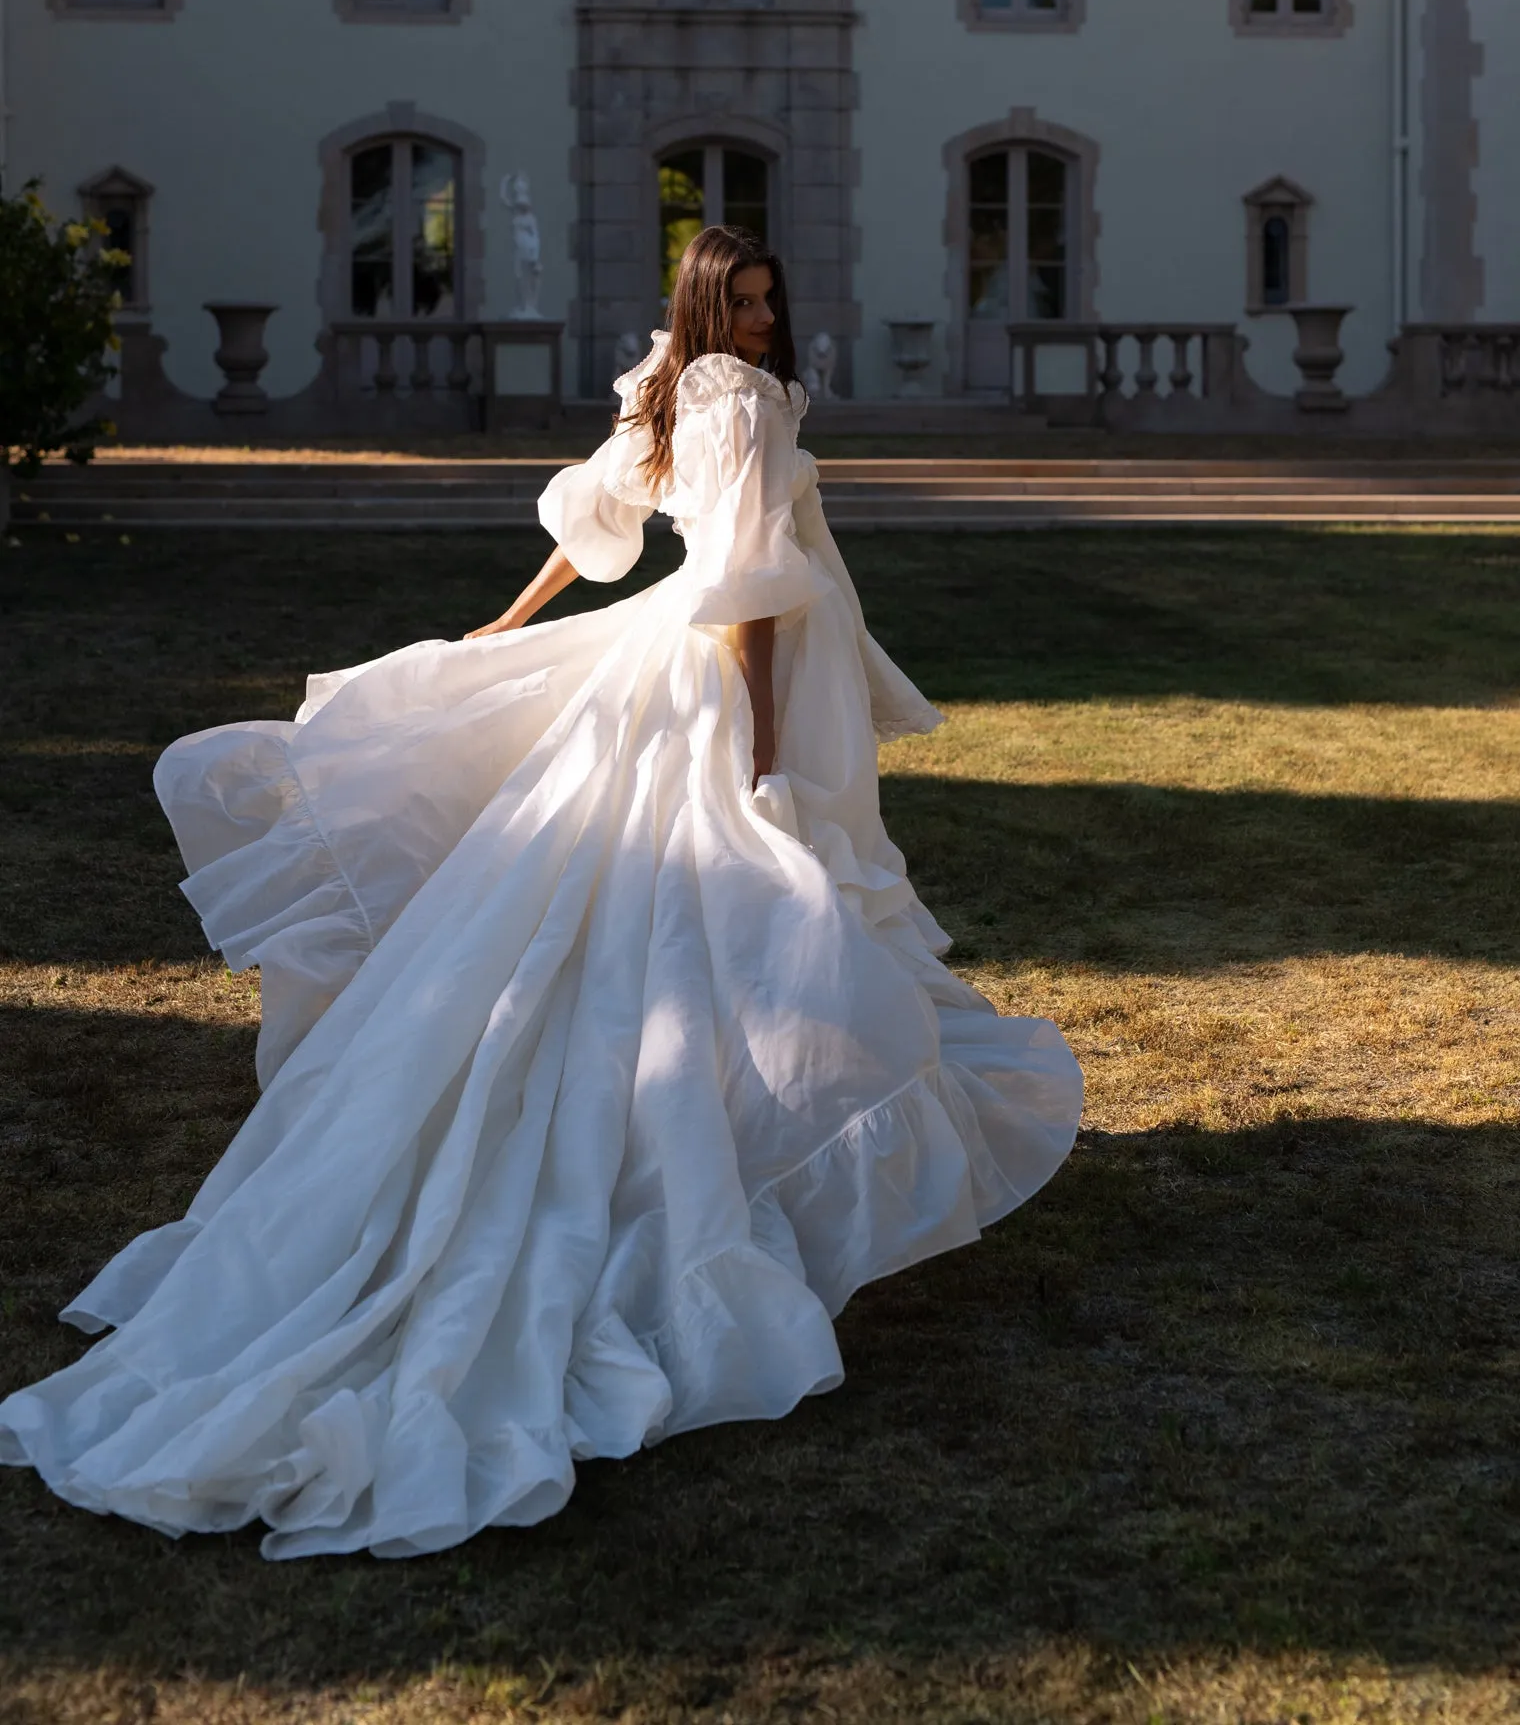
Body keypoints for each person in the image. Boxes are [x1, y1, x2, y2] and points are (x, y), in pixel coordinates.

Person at [0, 226, 1083, 1560]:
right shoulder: (731, 397)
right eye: (736, 302)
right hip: (717, 674)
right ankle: (734, 1159)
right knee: (755, 902)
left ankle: (710, 1136)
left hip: (707, 653)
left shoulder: (679, 384)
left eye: (765, 300)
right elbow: (738, 583)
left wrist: (523, 619)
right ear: (703, 303)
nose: (755, 321)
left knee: (661, 908)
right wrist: (754, 733)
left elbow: (598, 522)